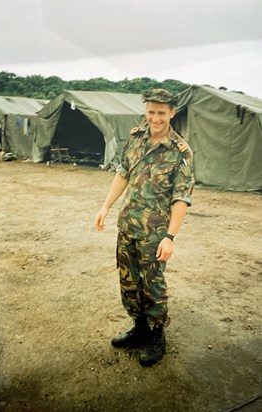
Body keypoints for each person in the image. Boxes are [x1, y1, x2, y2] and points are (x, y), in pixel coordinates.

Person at [94, 88, 195, 367]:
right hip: (128, 225)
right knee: (128, 281)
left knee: (153, 285)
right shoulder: (136, 136)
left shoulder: (180, 152)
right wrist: (106, 206)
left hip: (155, 234)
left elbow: (181, 198)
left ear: (172, 112)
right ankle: (139, 329)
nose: (155, 118)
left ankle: (157, 335)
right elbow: (123, 172)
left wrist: (170, 236)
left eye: (161, 112)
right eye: (151, 111)